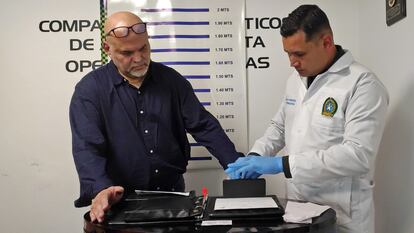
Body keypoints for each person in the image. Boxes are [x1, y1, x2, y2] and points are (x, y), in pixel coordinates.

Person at [225, 4, 388, 233]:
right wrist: (256, 156)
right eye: (288, 54)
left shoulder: (362, 84)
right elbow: (279, 127)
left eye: (299, 54)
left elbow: (357, 155)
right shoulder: (296, 80)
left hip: (342, 215)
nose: (292, 62)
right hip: (298, 210)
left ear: (327, 42)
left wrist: (281, 164)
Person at [70, 11, 243, 223]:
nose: (139, 58)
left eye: (143, 48)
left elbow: (203, 126)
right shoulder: (89, 91)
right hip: (120, 203)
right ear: (108, 50)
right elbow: (87, 147)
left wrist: (236, 165)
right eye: (127, 53)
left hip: (173, 197)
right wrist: (101, 189)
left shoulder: (172, 81)